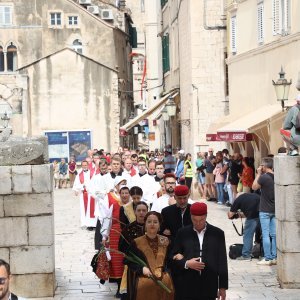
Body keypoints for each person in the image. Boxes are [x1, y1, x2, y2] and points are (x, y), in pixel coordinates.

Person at [172, 202, 228, 300]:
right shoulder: (182, 233)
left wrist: (222, 287)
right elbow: (172, 256)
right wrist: (186, 263)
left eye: (201, 220)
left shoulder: (218, 233)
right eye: (194, 220)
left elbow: (222, 261)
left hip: (209, 285)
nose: (198, 223)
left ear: (206, 216)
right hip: (186, 285)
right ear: (190, 217)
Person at [125, 211, 174, 300]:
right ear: (145, 224)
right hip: (144, 282)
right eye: (149, 221)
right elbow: (128, 260)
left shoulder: (166, 241)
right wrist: (141, 268)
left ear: (159, 225)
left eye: (155, 222)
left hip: (164, 283)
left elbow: (171, 260)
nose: (152, 224)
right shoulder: (136, 242)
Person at [160, 185, 193, 300]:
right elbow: (161, 231)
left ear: (188, 196)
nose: (182, 201)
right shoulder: (166, 211)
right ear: (175, 197)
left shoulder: (194, 209)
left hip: (191, 250)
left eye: (185, 198)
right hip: (173, 251)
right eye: (179, 198)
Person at [118, 201, 149, 300]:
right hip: (134, 269)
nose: (141, 213)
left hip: (151, 267)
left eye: (144, 210)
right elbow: (122, 249)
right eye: (139, 210)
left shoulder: (153, 227)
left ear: (147, 212)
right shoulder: (127, 229)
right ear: (134, 212)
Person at [252, 157, 276, 265]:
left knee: (266, 234)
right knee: (274, 235)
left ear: (265, 166)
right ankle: (274, 257)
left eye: (262, 165)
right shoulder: (276, 176)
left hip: (265, 210)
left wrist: (258, 174)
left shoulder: (263, 177)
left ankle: (267, 258)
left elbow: (254, 187)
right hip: (274, 209)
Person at [227, 192, 260, 260]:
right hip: (263, 214)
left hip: (252, 216)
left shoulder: (238, 199)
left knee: (247, 235)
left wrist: (233, 214)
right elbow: (248, 212)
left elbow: (230, 215)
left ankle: (246, 255)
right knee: (262, 234)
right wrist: (238, 215)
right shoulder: (252, 195)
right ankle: (262, 253)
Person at [72, 160, 96, 229]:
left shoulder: (92, 173)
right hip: (84, 194)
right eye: (83, 165)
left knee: (92, 209)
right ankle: (85, 223)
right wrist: (81, 187)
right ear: (81, 166)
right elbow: (76, 185)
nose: (84, 166)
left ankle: (93, 224)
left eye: (85, 165)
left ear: (88, 165)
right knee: (84, 209)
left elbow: (95, 182)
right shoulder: (79, 175)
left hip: (91, 194)